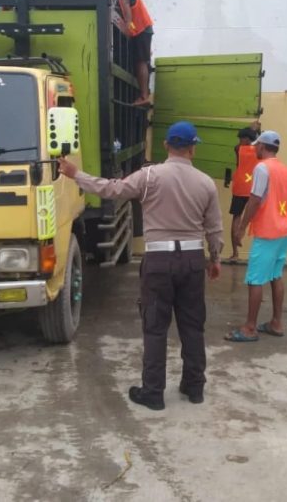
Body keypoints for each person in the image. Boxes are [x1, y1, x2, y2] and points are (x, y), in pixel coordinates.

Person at [58, 121, 222, 410]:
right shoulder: (206, 183)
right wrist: (215, 258)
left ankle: (153, 393)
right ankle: (194, 387)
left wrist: (76, 174)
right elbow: (214, 228)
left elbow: (111, 189)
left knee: (155, 328)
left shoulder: (148, 177)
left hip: (159, 261)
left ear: (166, 145)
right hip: (193, 261)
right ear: (193, 148)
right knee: (193, 326)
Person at [226, 131, 287, 341]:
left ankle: (250, 328)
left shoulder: (262, 168)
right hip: (283, 230)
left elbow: (255, 200)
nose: (254, 149)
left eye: (256, 146)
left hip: (267, 231)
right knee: (275, 276)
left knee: (255, 279)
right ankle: (276, 322)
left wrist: (241, 227)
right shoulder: (286, 170)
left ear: (263, 147)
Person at [102, 0, 154, 106]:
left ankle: (144, 96)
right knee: (137, 61)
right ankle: (142, 93)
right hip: (136, 30)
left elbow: (125, 4)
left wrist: (128, 26)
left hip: (141, 28)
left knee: (141, 61)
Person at [227, 123, 261, 263]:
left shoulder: (238, 149)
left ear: (247, 139)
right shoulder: (259, 150)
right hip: (254, 187)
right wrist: (256, 131)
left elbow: (240, 145)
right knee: (258, 219)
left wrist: (251, 128)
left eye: (241, 138)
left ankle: (235, 253)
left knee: (237, 217)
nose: (239, 140)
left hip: (240, 187)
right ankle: (258, 253)